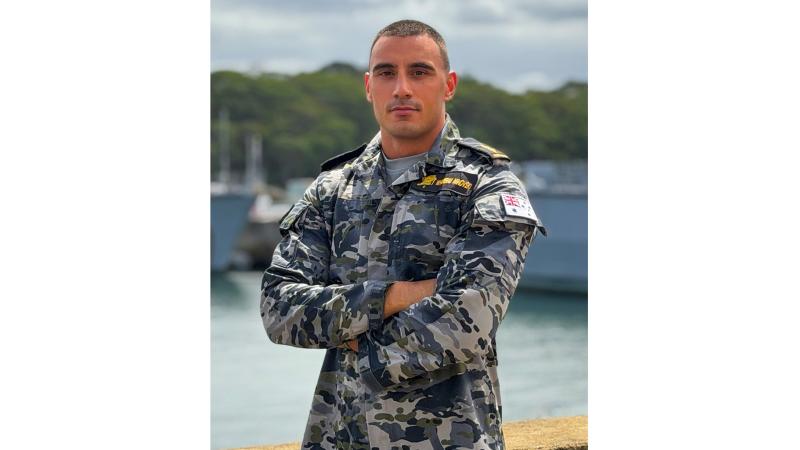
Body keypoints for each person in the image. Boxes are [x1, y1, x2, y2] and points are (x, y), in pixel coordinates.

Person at [260, 19, 545, 449]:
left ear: (448, 85)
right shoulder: (333, 189)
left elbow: (467, 320)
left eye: (419, 72)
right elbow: (278, 309)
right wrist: (394, 296)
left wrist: (351, 336)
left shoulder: (488, 186)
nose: (402, 89)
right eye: (386, 72)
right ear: (368, 86)